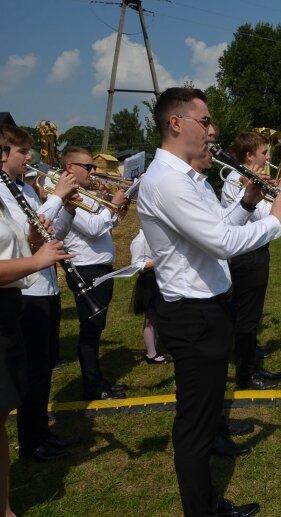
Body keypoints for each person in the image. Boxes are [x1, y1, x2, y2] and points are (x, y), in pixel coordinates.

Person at [137, 87, 281, 517]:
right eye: (205, 121)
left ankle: (207, 503)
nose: (214, 130)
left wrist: (248, 204)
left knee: (205, 419)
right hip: (193, 315)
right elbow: (223, 243)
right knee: (194, 427)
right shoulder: (168, 180)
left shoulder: (188, 177)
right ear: (176, 123)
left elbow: (218, 228)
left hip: (206, 309)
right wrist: (275, 221)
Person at [1, 133, 74, 517]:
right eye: (22, 152)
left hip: (44, 285)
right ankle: (30, 440)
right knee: (28, 373)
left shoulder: (25, 191)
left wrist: (64, 207)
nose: (28, 157)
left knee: (44, 365)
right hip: (23, 294)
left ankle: (42, 432)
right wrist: (59, 195)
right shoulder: (7, 193)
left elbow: (36, 234)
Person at [60, 147, 128, 401]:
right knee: (90, 329)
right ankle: (92, 384)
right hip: (86, 269)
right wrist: (112, 207)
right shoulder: (69, 196)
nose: (93, 171)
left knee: (96, 328)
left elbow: (107, 225)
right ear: (70, 168)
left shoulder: (85, 194)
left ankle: (97, 379)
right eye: (88, 167)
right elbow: (92, 228)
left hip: (99, 267)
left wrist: (111, 208)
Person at [220, 131, 281, 391]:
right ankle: (246, 376)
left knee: (252, 317)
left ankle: (253, 367)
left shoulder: (252, 178)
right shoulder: (236, 181)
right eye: (264, 153)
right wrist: (278, 195)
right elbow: (263, 217)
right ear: (249, 156)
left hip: (256, 251)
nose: (268, 157)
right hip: (246, 256)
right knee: (246, 319)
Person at [129, 228, 168, 364]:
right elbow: (136, 265)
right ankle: (151, 353)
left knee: (159, 316)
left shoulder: (156, 236)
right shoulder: (139, 240)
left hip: (161, 278)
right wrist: (159, 261)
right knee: (151, 318)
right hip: (149, 281)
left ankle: (157, 346)